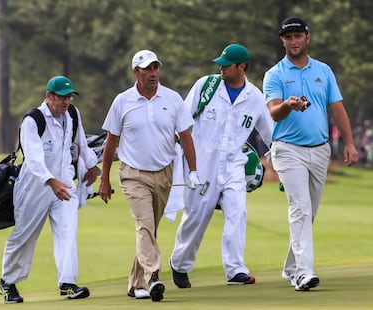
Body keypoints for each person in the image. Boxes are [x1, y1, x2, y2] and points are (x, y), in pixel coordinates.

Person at [263, 17, 359, 291]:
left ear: (308, 37)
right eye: (288, 37)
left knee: (310, 212)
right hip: (288, 149)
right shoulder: (275, 74)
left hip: (320, 150)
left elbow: (337, 108)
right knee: (300, 208)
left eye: (297, 36)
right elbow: (273, 111)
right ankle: (304, 273)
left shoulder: (324, 71)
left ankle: (291, 266)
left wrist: (350, 143)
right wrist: (287, 106)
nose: (293, 41)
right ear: (282, 41)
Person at [98, 50, 199, 302]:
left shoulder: (173, 99)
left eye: (156, 68)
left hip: (165, 172)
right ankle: (154, 276)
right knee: (145, 225)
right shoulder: (122, 101)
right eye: (147, 69)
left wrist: (194, 171)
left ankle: (135, 284)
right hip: (133, 174)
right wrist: (104, 178)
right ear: (136, 72)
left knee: (148, 230)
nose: (153, 73)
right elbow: (111, 141)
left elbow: (186, 136)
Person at [169, 44, 273, 288]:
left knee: (238, 213)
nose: (221, 68)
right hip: (201, 165)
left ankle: (235, 269)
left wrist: (282, 161)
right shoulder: (206, 86)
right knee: (196, 217)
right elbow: (182, 120)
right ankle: (180, 263)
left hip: (234, 165)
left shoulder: (256, 98)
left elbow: (271, 136)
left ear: (241, 67)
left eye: (226, 65)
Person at [0, 76, 99, 303]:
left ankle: (68, 283)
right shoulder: (33, 121)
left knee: (67, 232)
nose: (66, 102)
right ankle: (8, 281)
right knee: (25, 236)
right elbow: (33, 159)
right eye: (62, 97)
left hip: (65, 183)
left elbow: (80, 140)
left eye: (69, 97)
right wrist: (51, 182)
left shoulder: (72, 113)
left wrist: (91, 166)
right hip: (35, 187)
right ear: (49, 97)